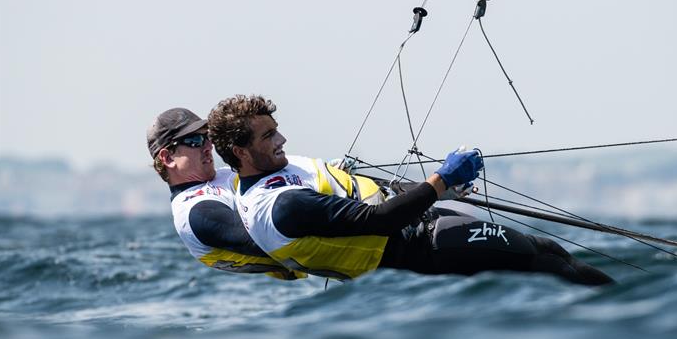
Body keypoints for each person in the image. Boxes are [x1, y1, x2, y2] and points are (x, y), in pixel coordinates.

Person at [207, 94, 614, 285]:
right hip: (417, 251)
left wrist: (439, 193)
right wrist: (443, 180)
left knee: (549, 249)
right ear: (241, 151)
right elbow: (378, 219)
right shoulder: (278, 207)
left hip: (425, 224)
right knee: (544, 265)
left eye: (276, 130)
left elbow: (363, 192)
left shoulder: (278, 168)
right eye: (268, 136)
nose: (282, 140)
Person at [146, 107, 305, 280]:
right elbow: (273, 237)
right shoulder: (195, 212)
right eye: (195, 140)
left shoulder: (223, 174)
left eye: (207, 137)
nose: (208, 146)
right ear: (168, 158)